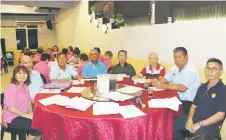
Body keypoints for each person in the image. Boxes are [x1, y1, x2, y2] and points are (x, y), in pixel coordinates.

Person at [174, 58, 226, 140]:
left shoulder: (223, 90)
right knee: (175, 124)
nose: (210, 71)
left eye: (214, 69)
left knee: (198, 136)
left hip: (211, 125)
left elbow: (220, 116)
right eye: (208, 68)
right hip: (195, 118)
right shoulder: (202, 87)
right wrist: (190, 119)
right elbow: (193, 106)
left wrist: (200, 124)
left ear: (221, 72)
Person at [151, 47, 201, 115]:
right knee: (154, 106)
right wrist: (156, 81)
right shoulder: (174, 68)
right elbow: (165, 80)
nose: (177, 59)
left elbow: (182, 88)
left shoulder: (190, 70)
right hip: (174, 100)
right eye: (175, 57)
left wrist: (162, 86)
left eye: (180, 57)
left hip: (187, 104)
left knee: (164, 114)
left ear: (186, 57)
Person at [2, 65, 41, 140]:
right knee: (37, 126)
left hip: (22, 115)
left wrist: (30, 112)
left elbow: (29, 101)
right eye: (19, 73)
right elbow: (11, 108)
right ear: (14, 75)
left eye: (25, 73)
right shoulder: (12, 88)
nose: (22, 75)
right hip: (12, 118)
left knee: (42, 122)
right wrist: (27, 115)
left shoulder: (25, 86)